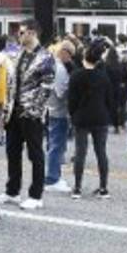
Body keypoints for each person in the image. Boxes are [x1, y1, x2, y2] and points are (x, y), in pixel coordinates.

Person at [2, 19, 54, 210]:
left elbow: (47, 87)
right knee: (12, 151)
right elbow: (11, 81)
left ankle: (36, 194)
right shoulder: (18, 54)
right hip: (14, 111)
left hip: (32, 113)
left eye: (22, 32)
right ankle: (12, 191)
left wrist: (34, 109)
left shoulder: (46, 57)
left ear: (32, 33)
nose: (19, 35)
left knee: (35, 154)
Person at [66, 40, 115, 199]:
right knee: (101, 152)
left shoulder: (76, 75)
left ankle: (77, 188)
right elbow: (109, 99)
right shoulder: (103, 76)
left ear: (84, 57)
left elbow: (71, 100)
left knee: (80, 152)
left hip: (81, 117)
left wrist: (73, 114)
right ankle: (103, 188)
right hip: (100, 116)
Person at [44, 40, 75, 193]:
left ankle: (52, 174)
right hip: (59, 110)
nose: (70, 59)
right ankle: (52, 178)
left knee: (52, 144)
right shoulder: (60, 69)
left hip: (49, 108)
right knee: (57, 145)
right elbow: (61, 92)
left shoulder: (50, 65)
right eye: (70, 55)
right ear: (64, 52)